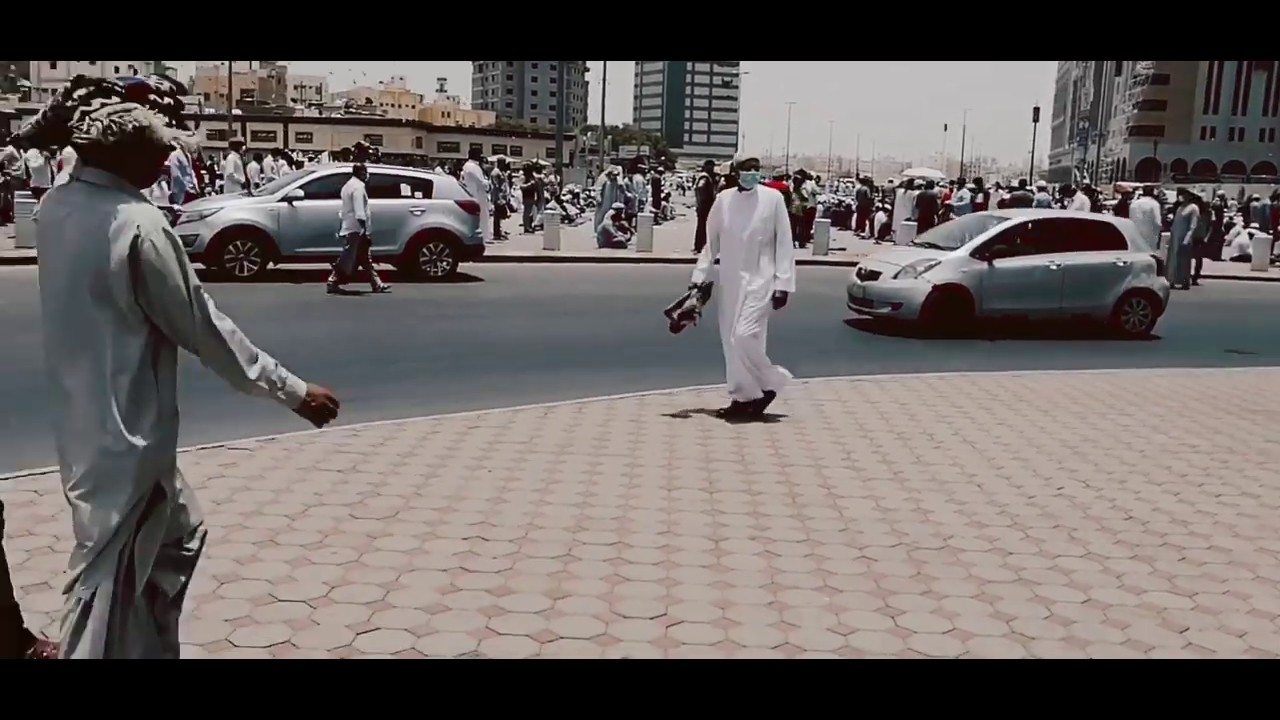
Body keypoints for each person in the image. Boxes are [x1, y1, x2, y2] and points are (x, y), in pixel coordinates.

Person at [23, 73, 341, 658]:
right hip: (128, 434)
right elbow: (204, 328)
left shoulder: (57, 205)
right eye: (158, 143)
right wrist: (294, 392)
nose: (169, 153)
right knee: (107, 585)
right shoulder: (138, 224)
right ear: (122, 150)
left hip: (83, 421)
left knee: (174, 537)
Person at [689, 157, 795, 422]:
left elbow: (784, 242)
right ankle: (743, 397)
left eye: (755, 170)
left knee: (744, 336)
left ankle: (770, 383)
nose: (751, 174)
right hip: (731, 280)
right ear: (735, 174)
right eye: (746, 170)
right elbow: (710, 243)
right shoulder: (724, 200)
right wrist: (698, 278)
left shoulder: (773, 199)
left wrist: (783, 284)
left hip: (762, 280)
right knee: (730, 342)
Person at [327, 162, 390, 294]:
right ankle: (333, 281)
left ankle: (377, 284)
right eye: (365, 172)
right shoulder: (358, 187)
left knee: (364, 258)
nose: (367, 175)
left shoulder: (348, 185)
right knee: (347, 258)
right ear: (361, 173)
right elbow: (359, 210)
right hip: (356, 228)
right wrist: (365, 230)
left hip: (349, 225)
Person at [1169, 188, 1200, 290]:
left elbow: (1193, 225)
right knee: (1174, 259)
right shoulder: (1180, 207)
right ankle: (1172, 280)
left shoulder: (1193, 208)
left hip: (1184, 237)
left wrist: (1187, 239)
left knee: (1184, 260)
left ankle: (1185, 281)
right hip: (1175, 236)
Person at [460, 147, 492, 244]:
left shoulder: (469, 166)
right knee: (482, 216)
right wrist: (488, 184)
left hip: (475, 193)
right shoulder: (472, 167)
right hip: (478, 194)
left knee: (482, 216)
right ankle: (485, 237)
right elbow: (480, 181)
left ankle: (485, 236)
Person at [693, 159, 718, 254]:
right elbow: (700, 187)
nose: (712, 168)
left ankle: (700, 246)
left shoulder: (705, 176)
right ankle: (699, 246)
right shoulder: (705, 177)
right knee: (703, 226)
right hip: (705, 206)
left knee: (702, 226)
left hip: (703, 205)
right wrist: (704, 200)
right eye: (711, 166)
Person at [595, 165, 624, 233]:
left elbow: (621, 188)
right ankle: (598, 230)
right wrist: (598, 198)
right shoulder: (603, 178)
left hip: (612, 200)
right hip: (604, 201)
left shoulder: (616, 179)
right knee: (601, 216)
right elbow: (598, 189)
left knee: (611, 215)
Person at [489, 156, 510, 242]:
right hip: (498, 197)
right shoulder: (495, 172)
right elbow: (495, 186)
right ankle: (496, 234)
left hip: (502, 196)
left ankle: (499, 232)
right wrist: (499, 198)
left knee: (500, 216)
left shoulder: (501, 172)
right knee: (497, 215)